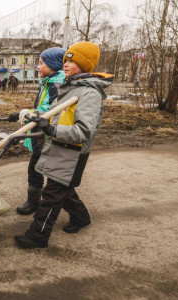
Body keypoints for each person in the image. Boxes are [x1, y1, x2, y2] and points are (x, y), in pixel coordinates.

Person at [13, 41, 111, 249]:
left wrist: (51, 130)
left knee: (52, 195)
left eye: (72, 61)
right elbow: (53, 115)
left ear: (85, 65)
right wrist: (30, 115)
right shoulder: (71, 86)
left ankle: (37, 236)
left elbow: (83, 132)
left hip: (74, 152)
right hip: (62, 146)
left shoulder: (90, 93)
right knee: (63, 191)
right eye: (65, 59)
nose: (65, 64)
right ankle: (81, 218)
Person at [8, 47, 66, 215]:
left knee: (43, 171)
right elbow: (42, 107)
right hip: (42, 131)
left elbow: (51, 111)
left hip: (48, 134)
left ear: (53, 64)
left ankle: (34, 203)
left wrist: (28, 115)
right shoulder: (49, 81)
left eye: (41, 63)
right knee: (40, 169)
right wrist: (24, 113)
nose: (37, 67)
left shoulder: (57, 84)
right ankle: (36, 201)